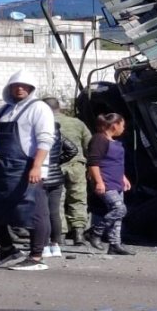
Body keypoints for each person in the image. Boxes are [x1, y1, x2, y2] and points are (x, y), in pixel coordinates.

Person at [0, 70, 55, 271]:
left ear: (31, 88)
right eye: (16, 85)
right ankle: (7, 249)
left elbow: (46, 140)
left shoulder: (39, 108)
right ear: (9, 87)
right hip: (4, 167)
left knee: (34, 211)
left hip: (28, 166)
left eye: (24, 85)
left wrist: (37, 166)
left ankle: (36, 256)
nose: (19, 88)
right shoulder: (5, 110)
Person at [44, 98, 95, 248]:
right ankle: (79, 234)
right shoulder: (77, 123)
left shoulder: (43, 123)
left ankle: (60, 236)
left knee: (57, 202)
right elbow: (89, 144)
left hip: (53, 166)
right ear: (60, 107)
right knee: (78, 199)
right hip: (76, 165)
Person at [86, 113, 135, 255]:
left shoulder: (113, 141)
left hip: (116, 181)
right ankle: (95, 232)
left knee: (117, 216)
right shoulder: (99, 139)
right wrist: (99, 182)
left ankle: (114, 244)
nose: (123, 128)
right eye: (122, 125)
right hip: (106, 182)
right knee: (120, 209)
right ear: (115, 125)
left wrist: (123, 177)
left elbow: (115, 162)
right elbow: (93, 163)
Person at [41, 97, 78, 258]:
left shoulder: (38, 131)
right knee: (54, 212)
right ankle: (55, 245)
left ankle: (41, 245)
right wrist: (56, 162)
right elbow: (73, 150)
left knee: (41, 213)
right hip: (56, 177)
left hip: (40, 176)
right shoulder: (57, 132)